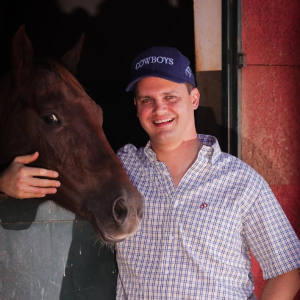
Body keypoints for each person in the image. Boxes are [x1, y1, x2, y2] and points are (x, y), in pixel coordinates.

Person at [0, 46, 300, 299]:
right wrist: (4, 184)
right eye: (147, 100)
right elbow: (67, 157)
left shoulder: (242, 182)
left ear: (193, 99)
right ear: (136, 106)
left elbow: (286, 270)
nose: (159, 109)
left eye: (171, 97)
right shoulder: (121, 169)